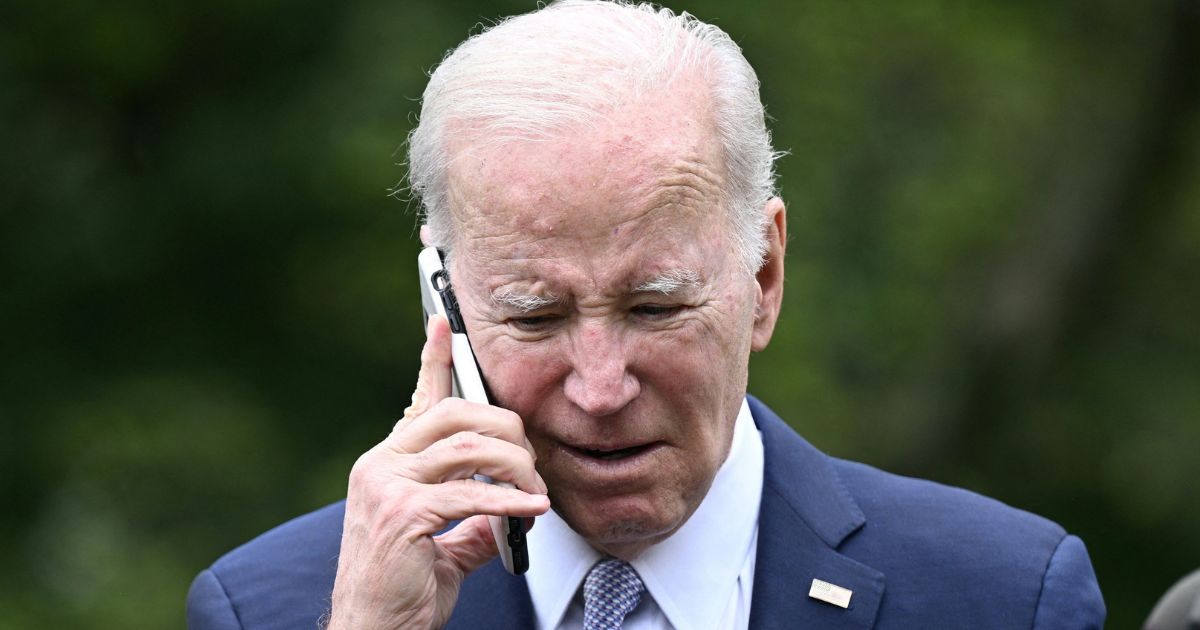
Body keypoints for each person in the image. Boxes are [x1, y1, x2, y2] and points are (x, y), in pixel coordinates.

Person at [187, 1, 1106, 628]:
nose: (599, 388)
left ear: (764, 275)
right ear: (447, 308)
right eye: (535, 317)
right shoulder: (274, 608)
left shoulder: (1001, 597)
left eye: (655, 306)